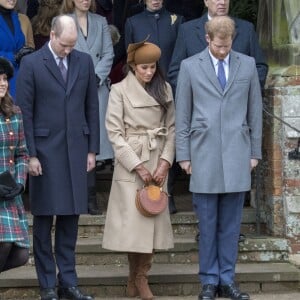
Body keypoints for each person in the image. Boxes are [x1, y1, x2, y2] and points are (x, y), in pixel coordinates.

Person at [175, 16, 262, 300]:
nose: (224, 51)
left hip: (238, 153)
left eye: (228, 45)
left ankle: (228, 279)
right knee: (208, 223)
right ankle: (209, 281)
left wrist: (255, 152)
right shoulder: (189, 67)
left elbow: (255, 112)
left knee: (232, 225)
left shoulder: (247, 64)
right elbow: (183, 114)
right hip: (202, 154)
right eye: (219, 46)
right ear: (207, 39)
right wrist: (183, 154)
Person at [16, 15, 99, 300]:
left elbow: (92, 106)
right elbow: (25, 111)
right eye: (65, 45)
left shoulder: (84, 62)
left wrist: (92, 150)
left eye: (72, 45)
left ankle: (69, 283)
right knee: (42, 223)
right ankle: (48, 285)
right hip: (44, 153)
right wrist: (30, 155)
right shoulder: (30, 64)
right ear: (52, 35)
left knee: (70, 221)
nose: (68, 50)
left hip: (76, 149)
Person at [167, 0, 268, 216]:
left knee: (232, 209)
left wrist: (242, 94)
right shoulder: (187, 29)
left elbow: (259, 67)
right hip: (203, 131)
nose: (221, 2)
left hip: (235, 131)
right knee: (206, 209)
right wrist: (195, 96)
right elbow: (176, 71)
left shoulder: (246, 29)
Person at [102, 40, 175, 300]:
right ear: (132, 66)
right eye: (144, 67)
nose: (149, 72)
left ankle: (141, 277)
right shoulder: (119, 91)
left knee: (151, 222)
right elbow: (114, 133)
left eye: (153, 67)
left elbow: (172, 128)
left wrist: (165, 162)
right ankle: (134, 277)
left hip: (157, 159)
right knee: (134, 225)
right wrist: (138, 166)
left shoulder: (164, 88)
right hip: (131, 163)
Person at [61, 0, 114, 215]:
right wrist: (81, 78)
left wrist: (95, 76)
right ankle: (73, 196)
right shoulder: (63, 21)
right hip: (71, 88)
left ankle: (91, 197)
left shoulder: (101, 21)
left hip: (97, 88)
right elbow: (62, 53)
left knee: (93, 141)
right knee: (73, 140)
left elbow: (109, 53)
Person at [0, 57, 29, 274]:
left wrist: (19, 182)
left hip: (9, 193)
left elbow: (22, 153)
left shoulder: (14, 112)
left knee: (20, 255)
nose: (3, 83)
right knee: (4, 244)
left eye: (5, 79)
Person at [125, 0, 184, 78]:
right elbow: (131, 59)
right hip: (144, 82)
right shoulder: (132, 23)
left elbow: (181, 56)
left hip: (171, 81)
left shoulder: (178, 21)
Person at [0, 0, 26, 99]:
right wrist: (14, 57)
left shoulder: (14, 16)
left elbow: (17, 45)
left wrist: (25, 52)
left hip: (17, 82)